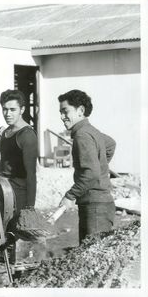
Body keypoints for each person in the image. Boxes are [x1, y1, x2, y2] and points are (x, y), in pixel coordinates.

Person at [58, 89, 116, 244]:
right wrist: (101, 166)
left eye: (65, 111)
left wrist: (70, 195)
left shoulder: (82, 135)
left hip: (95, 208)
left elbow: (91, 172)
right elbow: (110, 144)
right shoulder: (90, 131)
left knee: (92, 258)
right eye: (60, 112)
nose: (62, 117)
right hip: (100, 205)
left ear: (81, 110)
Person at [0, 90, 38, 233]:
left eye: (12, 110)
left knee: (12, 234)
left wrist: (29, 208)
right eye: (5, 109)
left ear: (22, 110)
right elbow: (9, 154)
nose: (8, 114)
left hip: (18, 194)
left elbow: (31, 174)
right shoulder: (6, 131)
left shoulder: (27, 135)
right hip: (1, 189)